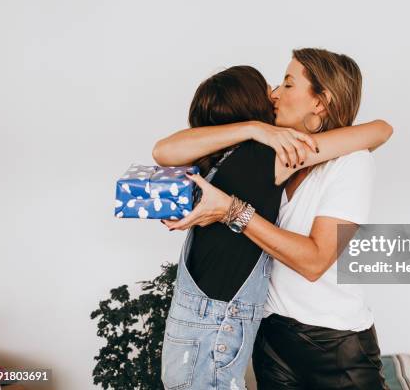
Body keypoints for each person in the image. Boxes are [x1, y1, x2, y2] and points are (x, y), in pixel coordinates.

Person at [159, 48, 393, 389]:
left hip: (331, 342)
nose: (274, 94)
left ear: (320, 101)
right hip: (270, 336)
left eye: (287, 84)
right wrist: (255, 128)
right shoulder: (274, 154)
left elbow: (315, 262)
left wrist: (233, 211)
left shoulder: (348, 162)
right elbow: (165, 151)